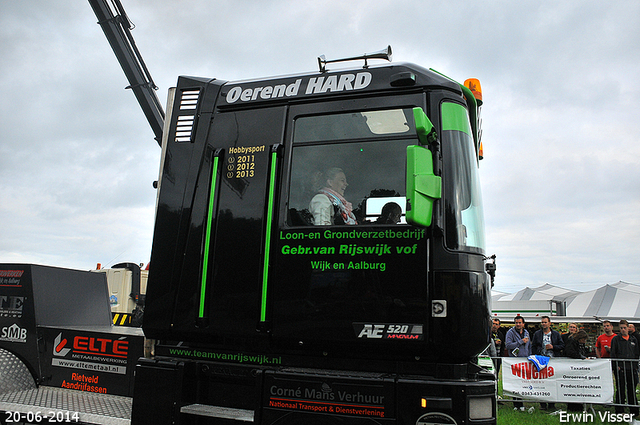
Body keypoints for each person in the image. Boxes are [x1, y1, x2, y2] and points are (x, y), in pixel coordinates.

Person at [531, 316, 564, 410]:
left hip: (553, 361)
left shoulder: (556, 334)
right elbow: (533, 346)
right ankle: (543, 404)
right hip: (541, 361)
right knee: (542, 383)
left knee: (552, 383)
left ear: (549, 323)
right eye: (542, 322)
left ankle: (552, 404)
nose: (543, 324)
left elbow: (562, 345)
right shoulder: (537, 334)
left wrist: (553, 347)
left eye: (545, 322)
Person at [610, 320, 640, 415]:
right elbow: (613, 353)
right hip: (621, 368)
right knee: (620, 389)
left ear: (628, 328)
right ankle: (619, 410)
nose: (623, 330)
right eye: (621, 328)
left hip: (631, 367)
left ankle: (634, 410)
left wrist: (635, 366)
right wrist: (616, 366)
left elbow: (636, 353)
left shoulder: (633, 339)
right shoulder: (616, 339)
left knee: (632, 389)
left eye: (625, 328)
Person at [506, 316, 531, 410]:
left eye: (520, 322)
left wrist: (529, 356)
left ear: (523, 324)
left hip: (524, 361)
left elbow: (529, 347)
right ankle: (516, 404)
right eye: (516, 323)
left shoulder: (526, 333)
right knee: (515, 383)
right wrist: (520, 342)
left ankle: (521, 403)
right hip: (515, 361)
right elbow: (508, 345)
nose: (518, 324)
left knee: (522, 383)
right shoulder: (510, 333)